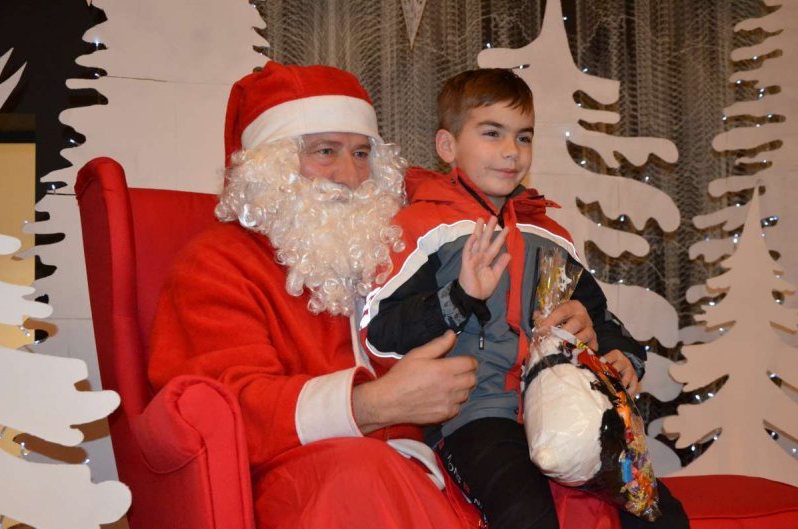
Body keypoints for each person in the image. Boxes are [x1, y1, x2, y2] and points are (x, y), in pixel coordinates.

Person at [147, 61, 611, 529]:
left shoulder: (396, 242)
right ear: (272, 166)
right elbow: (219, 410)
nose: (350, 175)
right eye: (325, 151)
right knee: (360, 478)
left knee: (583, 490)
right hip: (315, 481)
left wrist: (572, 330)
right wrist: (374, 404)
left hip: (438, 463)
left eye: (362, 153)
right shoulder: (217, 262)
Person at [362, 68, 689, 529]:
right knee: (525, 513)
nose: (511, 151)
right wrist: (458, 297)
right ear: (447, 146)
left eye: (524, 137)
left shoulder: (547, 233)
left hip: (565, 409)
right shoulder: (423, 228)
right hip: (470, 417)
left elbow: (597, 315)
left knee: (657, 511)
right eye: (492, 133)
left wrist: (621, 355)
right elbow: (380, 332)